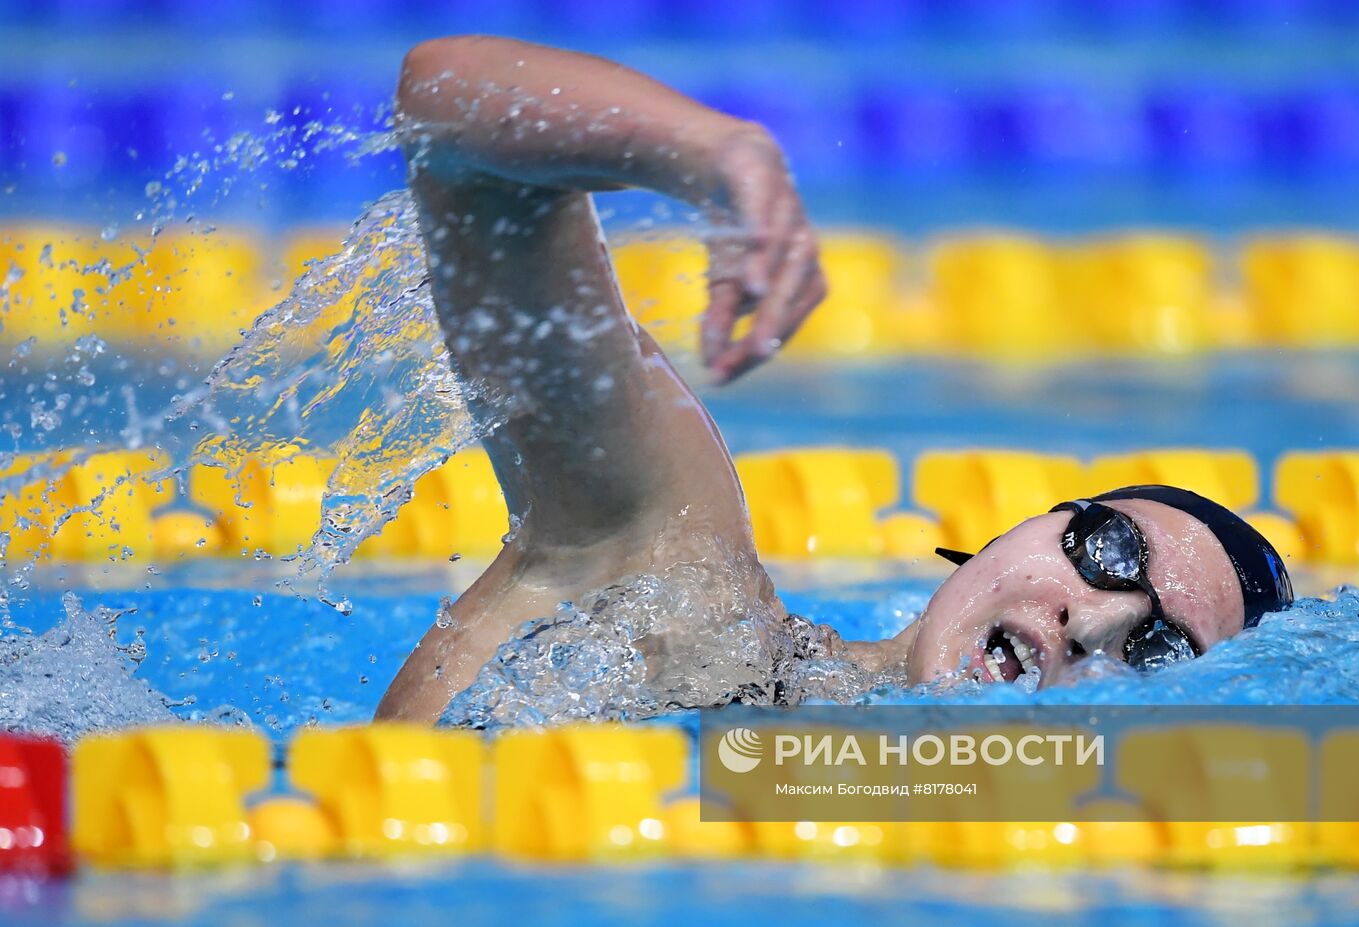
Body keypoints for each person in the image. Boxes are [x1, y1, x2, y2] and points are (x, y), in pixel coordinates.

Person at [376, 36, 1292, 723]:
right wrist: (712, 152)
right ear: (1023, 529)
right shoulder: (667, 586)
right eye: (1110, 553)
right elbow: (447, 116)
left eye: (1157, 649)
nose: (1091, 621)